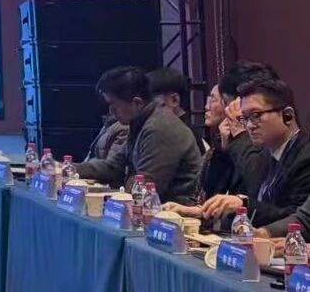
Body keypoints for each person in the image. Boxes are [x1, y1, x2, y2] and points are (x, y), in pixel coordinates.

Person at [182, 78, 310, 236]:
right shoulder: (265, 154)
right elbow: (238, 200)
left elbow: (298, 221)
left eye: (256, 115)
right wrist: (203, 211)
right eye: (245, 118)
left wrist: (244, 205)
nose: (249, 125)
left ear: (288, 116)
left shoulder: (305, 157)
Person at [75, 66, 202, 203]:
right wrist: (70, 168)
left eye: (114, 105)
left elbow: (145, 188)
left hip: (176, 210)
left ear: (137, 103)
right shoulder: (141, 121)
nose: (111, 111)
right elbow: (114, 166)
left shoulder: (159, 128)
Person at [200, 62, 275, 199]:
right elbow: (212, 192)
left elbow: (255, 185)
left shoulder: (267, 137)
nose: (227, 110)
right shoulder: (234, 138)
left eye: (228, 103)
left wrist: (240, 135)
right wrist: (223, 151)